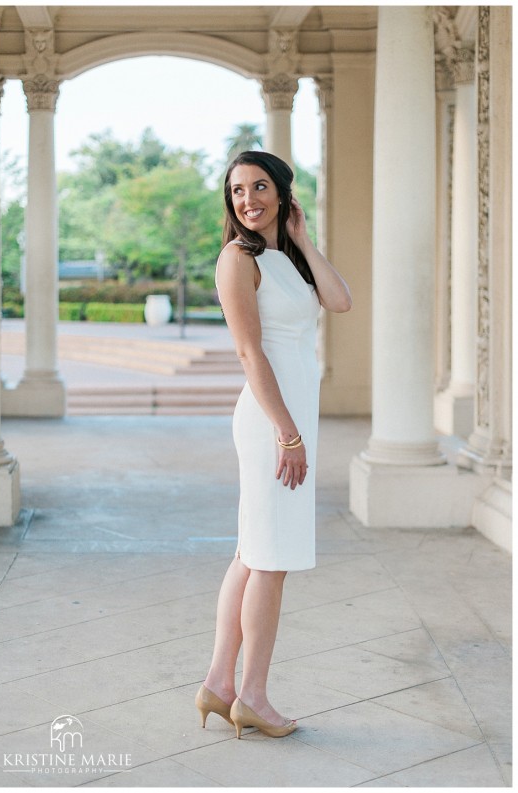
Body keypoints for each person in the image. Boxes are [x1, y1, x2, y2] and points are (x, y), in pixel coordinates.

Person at [195, 150, 352, 739]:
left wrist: (303, 240)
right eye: (236, 191)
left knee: (252, 552)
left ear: (283, 194)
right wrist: (287, 433)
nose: (247, 200)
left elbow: (339, 301)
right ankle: (253, 695)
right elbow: (249, 353)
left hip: (288, 421)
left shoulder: (284, 258)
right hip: (270, 422)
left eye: (259, 187)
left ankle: (220, 683)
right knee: (271, 559)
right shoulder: (237, 259)